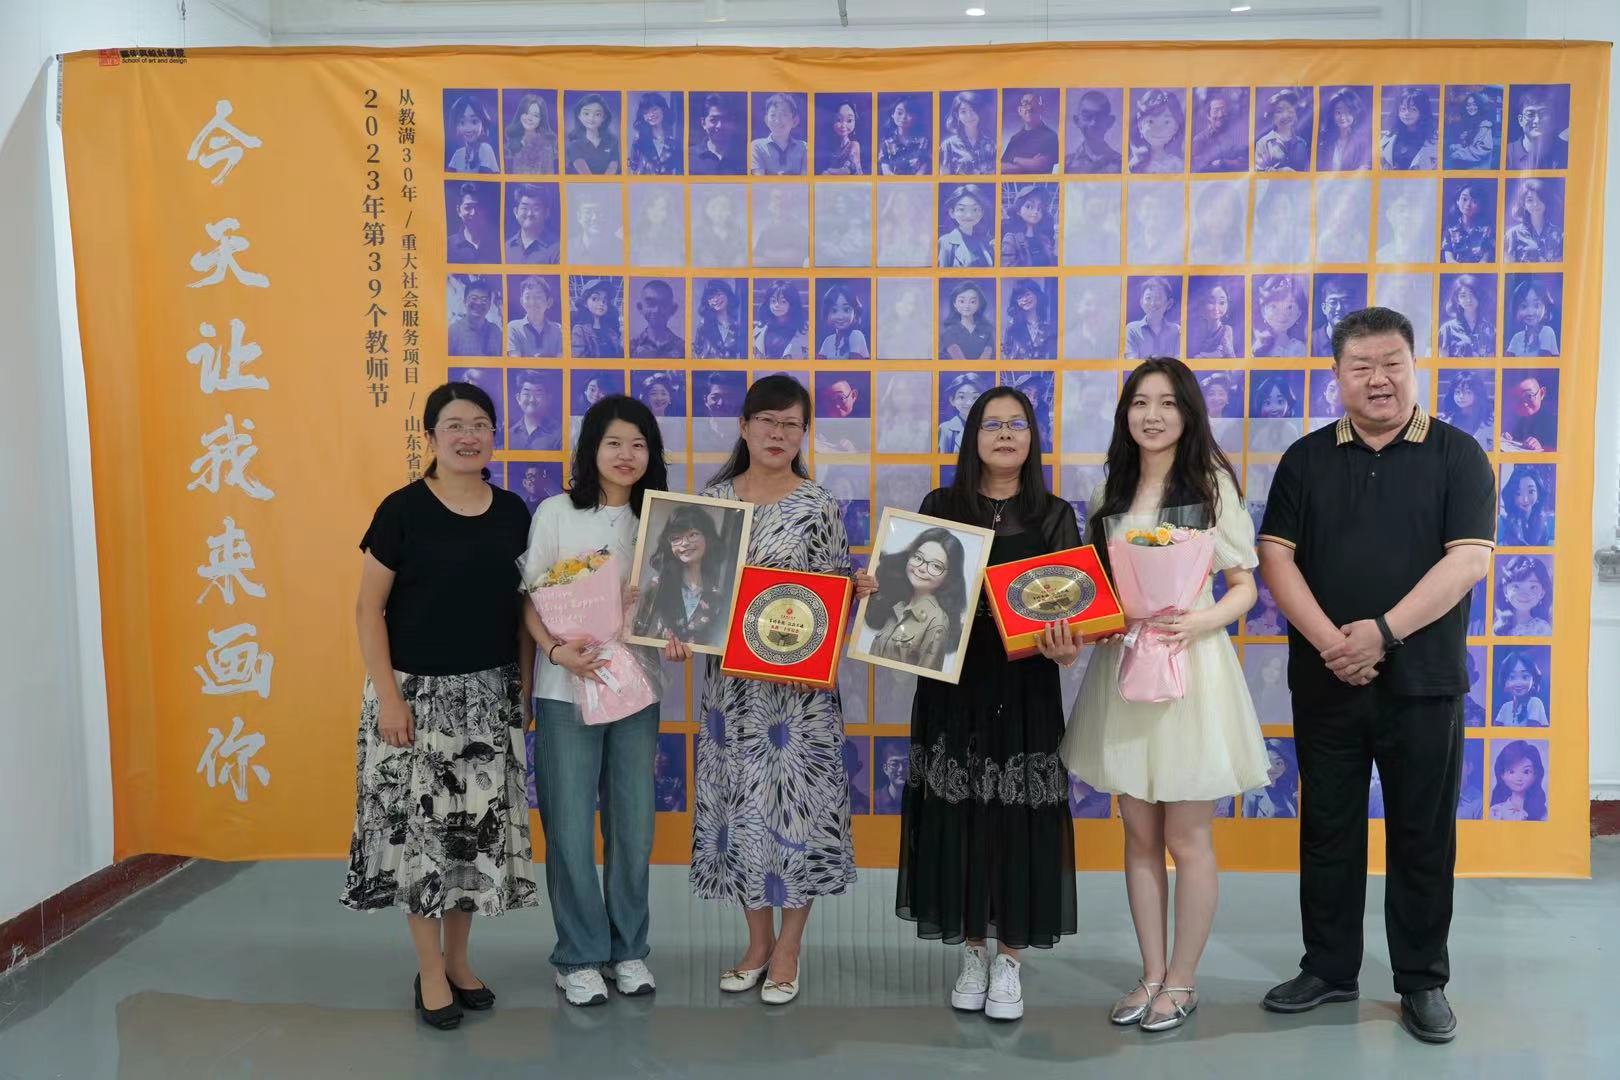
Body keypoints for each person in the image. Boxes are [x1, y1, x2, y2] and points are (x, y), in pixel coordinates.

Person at [1256, 305, 1495, 1044]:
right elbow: (1275, 557)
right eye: (1361, 367)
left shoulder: (1458, 454)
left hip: (1424, 684)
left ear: (1415, 366)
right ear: (1337, 376)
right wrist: (1334, 643)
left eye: (1392, 363)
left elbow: (1469, 560)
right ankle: (1329, 967)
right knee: (1327, 830)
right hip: (1327, 678)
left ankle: (1422, 980)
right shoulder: (1306, 459)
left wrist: (1382, 633)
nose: (1378, 379)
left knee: (1423, 834)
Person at [1062, 356, 1269, 1031]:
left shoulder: (1211, 485)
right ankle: (1150, 972)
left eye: (1167, 403)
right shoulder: (1110, 489)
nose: (1152, 415)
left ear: (1188, 413)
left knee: (1187, 833)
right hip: (1125, 669)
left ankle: (1183, 980)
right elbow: (1099, 587)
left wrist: (1202, 620)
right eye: (1140, 403)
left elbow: (1244, 585)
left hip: (1191, 671)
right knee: (1139, 831)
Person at [863, 386, 1081, 1021]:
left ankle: (1010, 956)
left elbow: (1074, 609)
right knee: (956, 812)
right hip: (950, 686)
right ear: (972, 437)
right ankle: (972, 950)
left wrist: (1068, 647)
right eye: (992, 424)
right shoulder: (941, 507)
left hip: (1025, 686)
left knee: (1018, 816)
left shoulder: (1054, 516)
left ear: (1032, 437)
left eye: (1017, 424)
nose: (1005, 434)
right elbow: (907, 594)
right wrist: (878, 593)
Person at [344, 381, 537, 1030]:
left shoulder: (512, 512)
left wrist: (523, 688)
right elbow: (368, 610)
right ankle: (429, 970)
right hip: (414, 700)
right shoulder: (402, 510)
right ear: (430, 437)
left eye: (480, 424)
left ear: (494, 436)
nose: (468, 436)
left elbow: (525, 609)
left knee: (468, 842)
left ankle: (459, 961)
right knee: (421, 843)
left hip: (488, 697)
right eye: (454, 425)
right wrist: (390, 699)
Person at [691, 375, 861, 1006]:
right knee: (741, 812)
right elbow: (688, 591)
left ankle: (789, 947)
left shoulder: (818, 505)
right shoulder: (711, 503)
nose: (778, 434)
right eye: (767, 420)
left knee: (798, 813)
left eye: (792, 424)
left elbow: (834, 595)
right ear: (744, 426)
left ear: (804, 434)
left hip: (798, 695)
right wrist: (674, 625)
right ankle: (756, 942)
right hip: (731, 694)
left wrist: (855, 595)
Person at [522, 395, 679, 1007]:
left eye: (638, 444)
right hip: (566, 690)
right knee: (567, 827)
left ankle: (628, 949)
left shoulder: (661, 521)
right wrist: (555, 652)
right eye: (614, 443)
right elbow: (531, 598)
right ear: (591, 449)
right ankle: (579, 957)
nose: (626, 455)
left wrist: (679, 633)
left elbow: (683, 602)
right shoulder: (557, 513)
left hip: (637, 691)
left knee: (633, 827)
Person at [863, 527, 967, 672]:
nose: (922, 568)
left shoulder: (937, 621)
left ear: (949, 577)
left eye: (936, 566)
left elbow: (927, 676)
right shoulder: (899, 604)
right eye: (918, 558)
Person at [633, 504, 733, 650]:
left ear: (707, 538)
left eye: (693, 534)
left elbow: (719, 643)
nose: (685, 543)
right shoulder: (657, 584)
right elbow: (637, 633)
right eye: (676, 538)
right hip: (657, 659)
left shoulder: (717, 595)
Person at [1504, 179, 1564, 264]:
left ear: (1546, 201)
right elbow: (1508, 267)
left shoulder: (1558, 233)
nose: (1535, 204)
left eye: (1540, 199)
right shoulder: (1513, 234)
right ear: (1523, 204)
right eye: (1530, 200)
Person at [941, 90, 999, 175]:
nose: (969, 116)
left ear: (980, 112)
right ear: (957, 116)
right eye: (963, 112)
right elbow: (944, 178)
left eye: (973, 110)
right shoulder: (948, 145)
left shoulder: (992, 144)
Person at [1505, 90, 1567, 170]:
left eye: (1544, 113)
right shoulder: (1507, 153)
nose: (1537, 120)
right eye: (1530, 114)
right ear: (1520, 120)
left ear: (1552, 118)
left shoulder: (1565, 150)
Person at [937, 185, 996, 268]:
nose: (969, 215)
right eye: (962, 209)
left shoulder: (986, 241)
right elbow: (941, 273)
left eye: (975, 209)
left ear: (982, 212)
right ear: (952, 213)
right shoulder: (945, 242)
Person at [1492, 556, 1553, 637]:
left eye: (1533, 587)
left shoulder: (1542, 629)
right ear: (1505, 591)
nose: (1524, 594)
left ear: (1542, 593)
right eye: (1516, 586)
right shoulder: (1498, 625)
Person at [1065, 90, 1123, 174]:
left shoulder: (1122, 163)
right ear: (1077, 120)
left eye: (1100, 116)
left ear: (1110, 122)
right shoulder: (1066, 164)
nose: (1093, 123)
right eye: (1087, 116)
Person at [1128, 88, 1185, 174]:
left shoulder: (1177, 165)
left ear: (1176, 127)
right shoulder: (1134, 164)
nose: (1159, 129)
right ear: (1140, 125)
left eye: (1167, 122)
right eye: (1151, 121)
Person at [1437, 276, 1495, 359]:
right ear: (1457, 300)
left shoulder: (1490, 329)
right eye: (1463, 296)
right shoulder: (1447, 329)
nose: (1469, 300)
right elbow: (1442, 362)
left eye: (1472, 294)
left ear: (1479, 296)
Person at [1001, 91, 1059, 174]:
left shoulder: (1051, 136)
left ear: (1041, 109)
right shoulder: (1015, 139)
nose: (1029, 108)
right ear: (1020, 110)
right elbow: (1001, 167)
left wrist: (1015, 159)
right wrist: (1028, 164)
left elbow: (1039, 165)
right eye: (1025, 104)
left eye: (1034, 103)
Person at [1381, 87, 1439, 170]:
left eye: (1413, 109)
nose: (1407, 113)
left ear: (1423, 112)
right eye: (1403, 109)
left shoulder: (1434, 141)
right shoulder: (1388, 137)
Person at [750, 93, 808, 175]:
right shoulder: (757, 146)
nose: (777, 120)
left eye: (784, 115)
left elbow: (806, 180)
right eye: (773, 115)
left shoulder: (804, 147)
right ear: (766, 120)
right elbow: (758, 179)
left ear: (795, 121)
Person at [1488, 741, 1548, 821]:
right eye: (1511, 772)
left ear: (1536, 775)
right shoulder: (1495, 811)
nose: (1519, 778)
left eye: (1526, 772)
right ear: (1502, 775)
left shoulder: (1542, 813)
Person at [1190, 89, 1247, 172]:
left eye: (1223, 110)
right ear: (1208, 115)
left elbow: (1245, 162)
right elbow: (1197, 168)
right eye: (1216, 111)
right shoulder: (1200, 140)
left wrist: (1224, 163)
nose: (1220, 115)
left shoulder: (1236, 136)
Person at [507, 276, 563, 359]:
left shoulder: (558, 329)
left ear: (549, 302)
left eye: (538, 297)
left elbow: (561, 362)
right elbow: (515, 362)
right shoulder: (513, 328)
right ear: (521, 302)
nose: (532, 302)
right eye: (527, 297)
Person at [1124, 276, 1180, 360]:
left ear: (1169, 304)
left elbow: (1178, 363)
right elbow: (1132, 363)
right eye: (1148, 298)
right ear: (1141, 302)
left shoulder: (1176, 330)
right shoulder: (1132, 329)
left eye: (1158, 298)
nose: (1152, 303)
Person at [1255, 89, 1310, 172]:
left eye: (1289, 110)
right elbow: (1258, 173)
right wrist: (1280, 172)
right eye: (1279, 111)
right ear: (1272, 117)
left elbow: (1307, 172)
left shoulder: (1302, 143)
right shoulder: (1263, 143)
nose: (1285, 115)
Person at [753, 279, 810, 360]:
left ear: (792, 304)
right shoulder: (760, 328)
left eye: (783, 301)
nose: (776, 305)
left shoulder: (803, 331)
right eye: (773, 301)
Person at [1001, 186, 1058, 267]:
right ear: (1018, 211)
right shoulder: (1011, 240)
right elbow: (1006, 270)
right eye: (1029, 206)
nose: (1035, 211)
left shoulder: (1045, 240)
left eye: (1039, 208)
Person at [1376, 184, 1433, 263]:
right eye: (1401, 210)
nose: (1407, 215)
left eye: (1412, 209)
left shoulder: (1429, 255)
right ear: (1389, 215)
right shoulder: (1380, 257)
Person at [1440, 181, 1495, 264]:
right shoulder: (1450, 229)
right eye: (1464, 199)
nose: (1468, 204)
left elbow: (1486, 258)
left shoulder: (1488, 230)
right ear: (1457, 201)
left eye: (1474, 201)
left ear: (1480, 206)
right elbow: (1449, 259)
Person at [1498, 465, 1554, 547]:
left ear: (1539, 493)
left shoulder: (1547, 521)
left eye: (1531, 492)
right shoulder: (1502, 522)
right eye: (1518, 493)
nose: (1525, 499)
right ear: (1512, 496)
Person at [691, 93, 746, 175]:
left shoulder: (745, 156)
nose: (719, 126)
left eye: (725, 119)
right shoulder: (690, 157)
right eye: (713, 120)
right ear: (703, 123)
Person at [1242, 741, 1301, 819]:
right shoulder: (1251, 795)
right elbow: (1246, 823)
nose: (1272, 768)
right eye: (1267, 763)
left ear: (1286, 766)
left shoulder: (1289, 793)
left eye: (1278, 763)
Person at [566, 93, 621, 175]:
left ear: (604, 117)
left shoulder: (613, 142)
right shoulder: (574, 145)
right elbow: (586, 175)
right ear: (579, 116)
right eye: (586, 113)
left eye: (597, 114)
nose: (591, 118)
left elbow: (612, 168)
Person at [1501, 371, 1557, 452]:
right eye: (1517, 397)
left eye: (1529, 396)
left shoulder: (1553, 424)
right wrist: (1508, 439)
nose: (1524, 403)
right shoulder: (1522, 420)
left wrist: (1541, 448)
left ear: (1542, 393)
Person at [1001, 279, 1055, 361]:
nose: (1024, 300)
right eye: (1019, 297)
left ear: (1037, 295)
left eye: (1027, 294)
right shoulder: (1012, 330)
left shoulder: (1049, 329)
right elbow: (1007, 358)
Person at [939, 281, 994, 362]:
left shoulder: (987, 331)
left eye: (972, 302)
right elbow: (961, 362)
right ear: (954, 304)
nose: (967, 306)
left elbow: (985, 359)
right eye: (962, 301)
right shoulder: (948, 333)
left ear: (979, 304)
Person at [504, 183, 559, 264]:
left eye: (536, 209)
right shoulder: (506, 248)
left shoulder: (557, 249)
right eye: (524, 208)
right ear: (516, 212)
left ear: (547, 213)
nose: (530, 214)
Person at [1252, 275, 1305, 358]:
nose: (1282, 314)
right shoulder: (1257, 346)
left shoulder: (1299, 348)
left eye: (1289, 307)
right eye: (1273, 306)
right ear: (1263, 311)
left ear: (1299, 313)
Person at [1504, 278, 1560, 358]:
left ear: (1545, 308)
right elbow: (1507, 362)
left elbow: (1543, 362)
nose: (1530, 313)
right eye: (1524, 306)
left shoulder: (1547, 332)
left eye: (1536, 305)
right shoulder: (1517, 338)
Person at [505, 92, 559, 174]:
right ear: (520, 114)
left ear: (541, 119)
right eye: (526, 113)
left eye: (535, 115)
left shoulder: (546, 145)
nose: (529, 118)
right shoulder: (510, 140)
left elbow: (548, 175)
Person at [1437, 371, 1493, 450]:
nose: (1461, 396)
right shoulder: (1444, 421)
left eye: (1468, 392)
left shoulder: (1489, 424)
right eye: (1457, 392)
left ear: (1477, 394)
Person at [629, 279, 684, 359]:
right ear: (640, 307)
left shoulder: (683, 349)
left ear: (673, 309)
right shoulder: (631, 348)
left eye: (664, 304)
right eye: (651, 303)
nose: (657, 310)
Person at [1320, 87, 1372, 172]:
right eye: (1338, 112)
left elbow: (1365, 169)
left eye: (1348, 112)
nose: (1342, 117)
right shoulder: (1324, 139)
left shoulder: (1362, 142)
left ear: (1355, 113)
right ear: (1332, 114)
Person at [628, 93, 681, 176]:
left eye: (654, 109)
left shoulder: (674, 140)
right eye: (646, 112)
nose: (651, 114)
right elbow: (632, 167)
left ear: (663, 110)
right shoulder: (639, 140)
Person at [878, 94, 931, 176]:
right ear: (892, 115)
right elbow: (886, 171)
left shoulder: (924, 142)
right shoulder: (886, 143)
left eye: (909, 113)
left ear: (915, 117)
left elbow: (924, 169)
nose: (904, 117)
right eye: (899, 113)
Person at [1493, 651, 1549, 728]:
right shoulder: (1505, 707)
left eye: (1525, 677)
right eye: (1512, 677)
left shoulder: (1535, 703)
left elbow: (1531, 733)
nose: (1518, 683)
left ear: (1533, 680)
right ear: (1505, 681)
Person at [692, 190, 747, 268]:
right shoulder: (698, 234)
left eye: (724, 208)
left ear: (731, 211)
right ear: (706, 211)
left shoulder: (739, 233)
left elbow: (743, 257)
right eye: (713, 208)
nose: (718, 213)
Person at [508, 371, 562, 451]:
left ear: (547, 398)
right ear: (518, 398)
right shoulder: (509, 435)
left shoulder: (560, 433)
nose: (532, 400)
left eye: (538, 394)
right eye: (526, 394)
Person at [691, 279, 743, 360]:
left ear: (728, 296)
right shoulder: (703, 325)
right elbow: (696, 355)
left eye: (719, 294)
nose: (715, 299)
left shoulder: (736, 326)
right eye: (711, 297)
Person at [631, 188, 684, 267]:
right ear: (646, 209)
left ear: (667, 213)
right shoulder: (637, 232)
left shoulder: (675, 236)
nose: (656, 212)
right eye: (652, 206)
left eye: (661, 209)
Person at [571, 279, 623, 360]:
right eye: (595, 299)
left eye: (604, 300)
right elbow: (579, 360)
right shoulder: (579, 330)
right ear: (585, 303)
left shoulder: (611, 332)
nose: (601, 303)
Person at [816, 282, 870, 360]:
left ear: (855, 313)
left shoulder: (856, 335)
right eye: (834, 311)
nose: (840, 317)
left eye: (846, 310)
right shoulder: (828, 340)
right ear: (827, 314)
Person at [446, 95, 499, 173]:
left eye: (474, 122)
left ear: (483, 125)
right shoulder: (458, 154)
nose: (468, 129)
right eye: (462, 122)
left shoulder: (485, 149)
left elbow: (483, 179)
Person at [448, 278, 500, 357]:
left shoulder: (495, 331)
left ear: (489, 305)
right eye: (474, 298)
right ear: (465, 301)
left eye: (484, 299)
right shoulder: (453, 332)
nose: (478, 303)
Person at [1446, 90, 1496, 169]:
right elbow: (1470, 145)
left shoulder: (1485, 126)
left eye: (1474, 104)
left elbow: (1482, 149)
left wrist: (1459, 154)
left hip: (1479, 170)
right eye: (1468, 105)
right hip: (1468, 168)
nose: (1471, 108)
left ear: (1479, 106)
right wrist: (1457, 146)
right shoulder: (1470, 123)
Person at [938, 372, 986, 454]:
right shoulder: (945, 429)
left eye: (975, 397)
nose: (969, 403)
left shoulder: (990, 427)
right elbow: (941, 460)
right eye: (962, 397)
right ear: (952, 400)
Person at [1187, 280, 1236, 359]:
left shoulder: (1226, 330)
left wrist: (1202, 356)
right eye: (1211, 302)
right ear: (1203, 303)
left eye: (1222, 302)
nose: (1216, 308)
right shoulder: (1196, 329)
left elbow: (1222, 354)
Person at [569, 192, 620, 265]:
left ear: (607, 215)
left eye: (600, 212)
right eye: (588, 212)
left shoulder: (621, 249)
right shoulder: (566, 249)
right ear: (579, 216)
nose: (594, 218)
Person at [447, 183, 493, 264]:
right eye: (468, 207)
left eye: (477, 207)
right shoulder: (449, 245)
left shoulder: (494, 243)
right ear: (458, 211)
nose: (473, 213)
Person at [820, 99, 865, 175]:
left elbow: (849, 170)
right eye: (839, 120)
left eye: (849, 120)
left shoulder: (853, 145)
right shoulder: (832, 147)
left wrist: (829, 171)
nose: (843, 125)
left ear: (855, 121)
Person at [1310, 278, 1352, 358]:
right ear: (1324, 308)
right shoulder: (1312, 341)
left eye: (1344, 301)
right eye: (1333, 302)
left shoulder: (1360, 339)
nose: (1339, 308)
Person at [874, 744, 908, 814]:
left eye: (905, 763)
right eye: (894, 764)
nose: (901, 769)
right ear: (885, 769)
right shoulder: (873, 800)